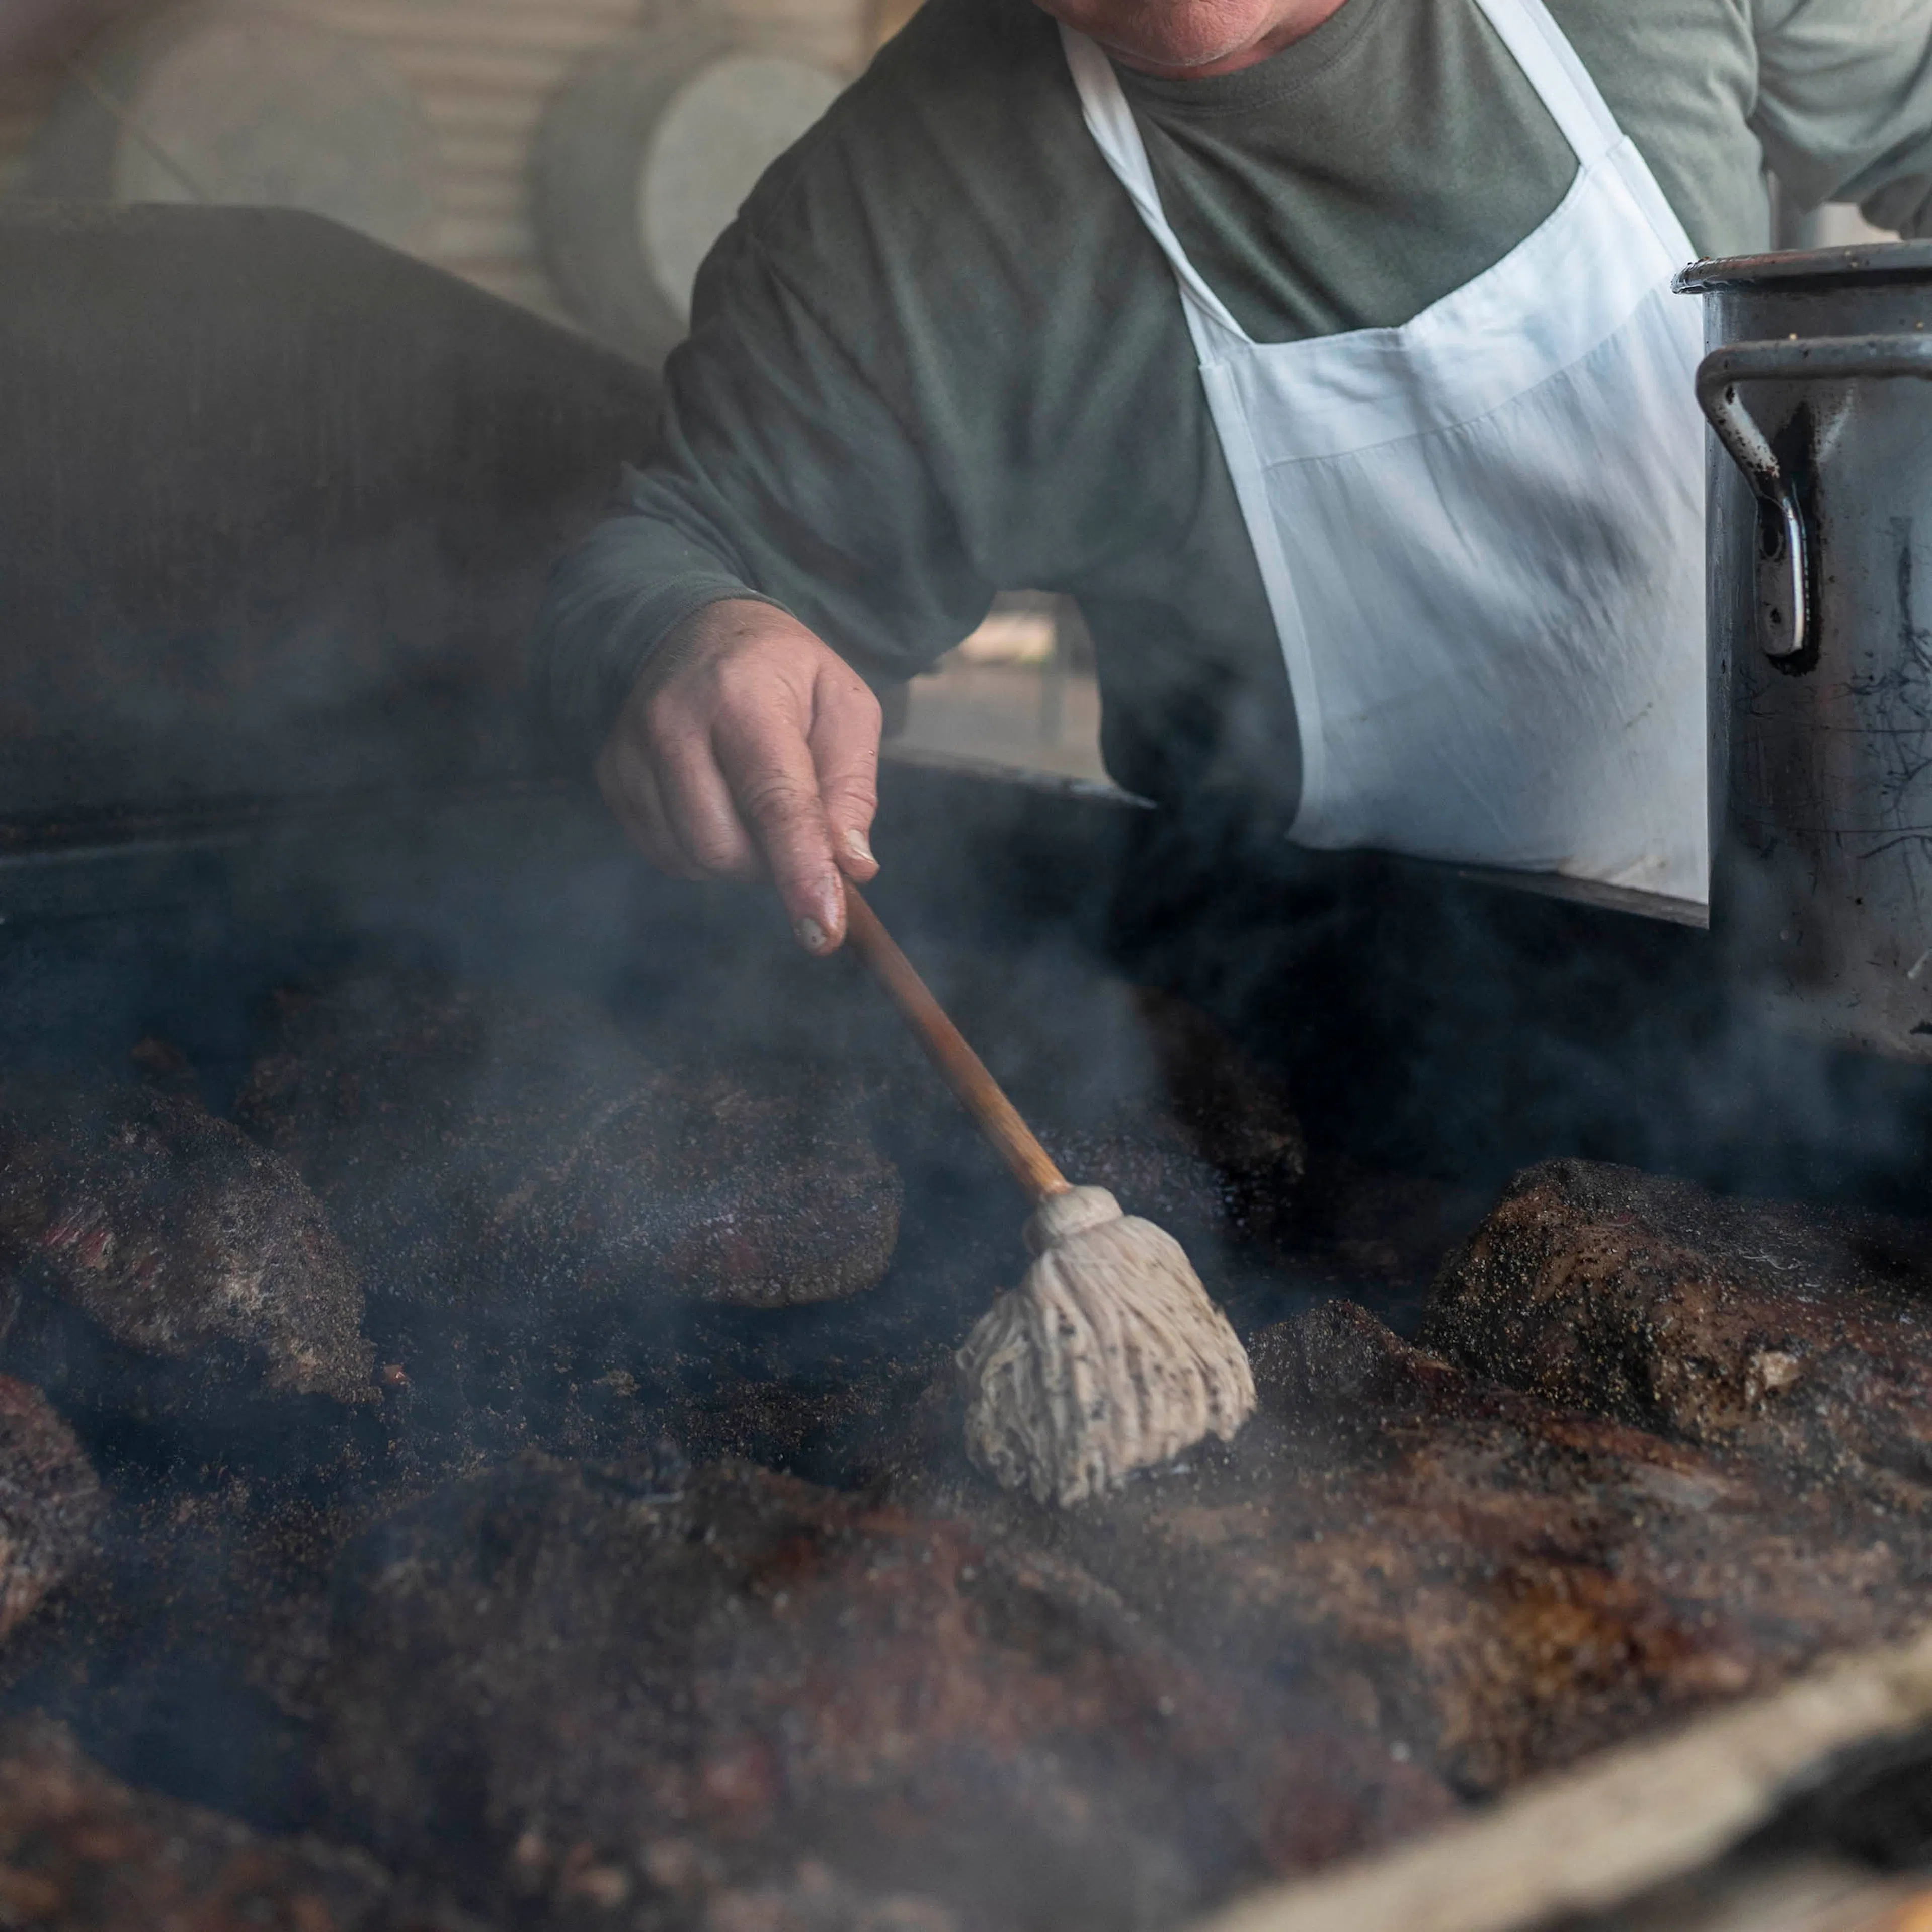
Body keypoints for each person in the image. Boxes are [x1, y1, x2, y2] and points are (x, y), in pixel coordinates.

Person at [535, 0, 1932, 952]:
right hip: (1333, 1072)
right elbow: (677, 552)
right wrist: (689, 634)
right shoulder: (896, 219)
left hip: (1843, 938)